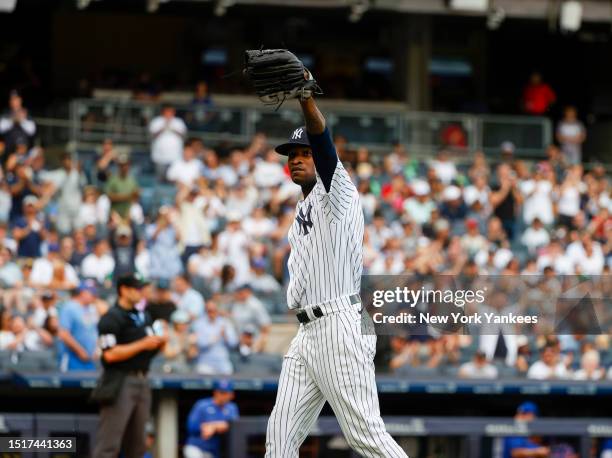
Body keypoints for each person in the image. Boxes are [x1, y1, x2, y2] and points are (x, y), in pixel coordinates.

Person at [264, 84, 407, 456]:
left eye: (304, 154)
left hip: (337, 326)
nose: (296, 159)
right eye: (291, 155)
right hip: (307, 334)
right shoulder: (304, 207)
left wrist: (304, 99)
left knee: (366, 437)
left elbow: (323, 141)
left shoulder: (337, 191)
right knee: (278, 438)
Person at [92, 274, 167, 458]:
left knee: (138, 445)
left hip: (143, 379)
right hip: (120, 381)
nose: (141, 293)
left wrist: (160, 343)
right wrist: (143, 344)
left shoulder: (143, 316)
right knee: (109, 444)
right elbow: (109, 354)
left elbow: (148, 352)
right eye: (137, 289)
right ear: (124, 290)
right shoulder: (112, 317)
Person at [184, 379, 239, 458]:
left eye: (226, 393)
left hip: (215, 451)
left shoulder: (231, 408)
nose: (224, 396)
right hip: (196, 447)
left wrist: (213, 427)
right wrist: (210, 427)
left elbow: (235, 426)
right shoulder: (202, 405)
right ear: (215, 392)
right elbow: (191, 426)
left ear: (231, 395)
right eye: (221, 393)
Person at [57, 281, 100, 372]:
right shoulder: (69, 308)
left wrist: (97, 348)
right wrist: (80, 351)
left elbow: (96, 331)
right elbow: (63, 334)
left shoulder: (91, 308)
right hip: (72, 357)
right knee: (72, 385)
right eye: (91, 292)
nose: (94, 296)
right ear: (82, 292)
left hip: (90, 359)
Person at [192, 299, 237, 375]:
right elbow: (201, 344)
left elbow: (233, 343)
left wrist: (225, 336)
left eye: (214, 310)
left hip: (222, 362)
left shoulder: (225, 323)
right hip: (205, 363)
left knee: (227, 379)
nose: (211, 313)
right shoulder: (199, 324)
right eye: (209, 310)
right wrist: (216, 337)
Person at [149, 104, 187, 180]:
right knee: (160, 179)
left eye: (170, 112)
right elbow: (152, 135)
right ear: (163, 112)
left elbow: (183, 135)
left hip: (175, 157)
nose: (169, 113)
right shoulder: (156, 121)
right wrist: (163, 127)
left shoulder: (179, 122)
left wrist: (172, 128)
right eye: (167, 112)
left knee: (174, 179)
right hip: (160, 157)